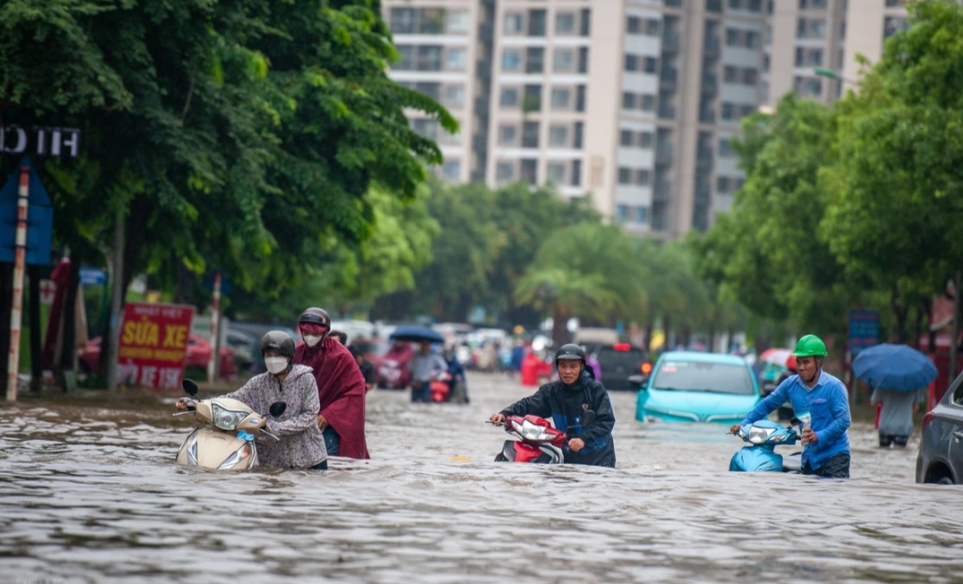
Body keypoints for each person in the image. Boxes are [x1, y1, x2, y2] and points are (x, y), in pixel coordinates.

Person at [176, 331, 328, 470]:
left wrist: (273, 427)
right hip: (273, 461)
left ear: (288, 357)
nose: (272, 359)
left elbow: (310, 415)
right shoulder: (258, 383)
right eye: (268, 355)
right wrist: (196, 405)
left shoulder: (306, 379)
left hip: (309, 458)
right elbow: (232, 398)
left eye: (277, 355)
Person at [730, 335, 851, 479]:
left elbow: (844, 420)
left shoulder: (834, 387)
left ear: (819, 362)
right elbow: (767, 404)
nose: (801, 367)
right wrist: (744, 424)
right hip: (809, 457)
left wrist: (819, 436)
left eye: (806, 363)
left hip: (834, 456)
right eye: (798, 362)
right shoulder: (790, 385)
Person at [490, 344, 616, 467]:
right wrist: (505, 414)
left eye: (573, 366)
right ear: (557, 367)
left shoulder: (595, 389)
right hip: (570, 456)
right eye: (563, 366)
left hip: (600, 458)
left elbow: (606, 421)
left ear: (582, 367)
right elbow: (529, 404)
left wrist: (584, 439)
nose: (567, 371)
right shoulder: (551, 391)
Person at [294, 308, 370, 459]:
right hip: (298, 422)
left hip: (329, 425)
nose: (310, 337)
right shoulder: (295, 353)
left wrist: (329, 414)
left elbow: (356, 389)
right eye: (306, 333)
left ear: (325, 332)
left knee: (329, 466)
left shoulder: (341, 356)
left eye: (315, 334)